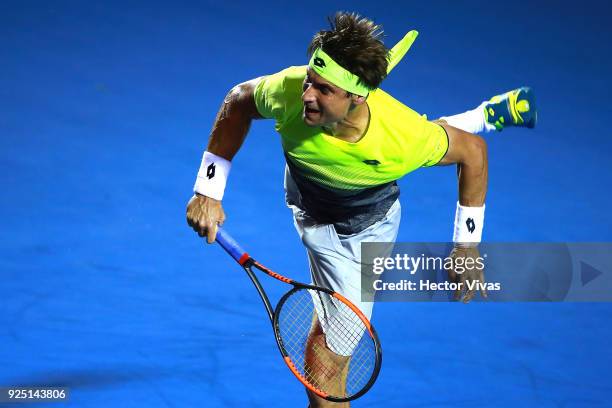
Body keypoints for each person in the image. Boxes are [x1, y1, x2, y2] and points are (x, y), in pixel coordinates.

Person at [186, 12, 537, 407]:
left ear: (357, 96)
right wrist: (208, 189)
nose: (306, 95)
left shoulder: (400, 139)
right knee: (423, 137)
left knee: (325, 365)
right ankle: (483, 115)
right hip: (305, 195)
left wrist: (466, 247)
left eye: (323, 90)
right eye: (309, 82)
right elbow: (238, 102)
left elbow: (473, 153)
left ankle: (482, 118)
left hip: (361, 232)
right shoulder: (289, 90)